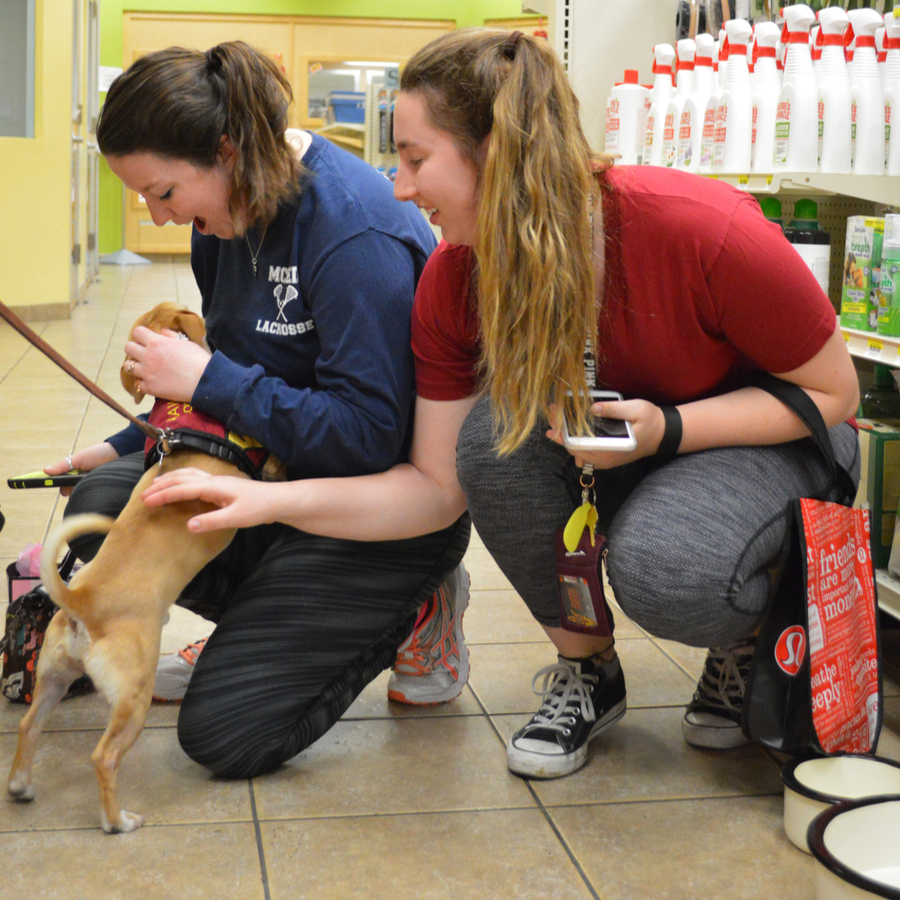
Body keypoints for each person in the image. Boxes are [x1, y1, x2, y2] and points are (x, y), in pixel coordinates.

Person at [140, 29, 861, 779]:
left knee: (667, 568)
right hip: (624, 445)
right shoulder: (456, 279)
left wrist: (670, 429)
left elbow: (835, 393)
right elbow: (433, 489)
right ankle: (588, 670)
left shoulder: (700, 229)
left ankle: (742, 640)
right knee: (490, 443)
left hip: (763, 438)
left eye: (417, 159)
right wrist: (258, 503)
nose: (398, 187)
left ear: (499, 150)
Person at [43, 41, 471, 780]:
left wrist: (206, 379)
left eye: (166, 192)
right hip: (276, 481)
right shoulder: (224, 226)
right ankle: (259, 618)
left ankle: (420, 603)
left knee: (226, 736)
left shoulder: (352, 231)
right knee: (108, 497)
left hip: (376, 506)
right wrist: (123, 442)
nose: (159, 215)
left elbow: (370, 438)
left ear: (228, 152)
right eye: (143, 197)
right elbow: (248, 379)